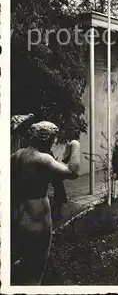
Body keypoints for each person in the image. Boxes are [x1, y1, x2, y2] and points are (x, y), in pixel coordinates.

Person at [11, 121, 79, 285]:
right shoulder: (43, 159)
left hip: (17, 217)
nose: (54, 142)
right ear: (46, 138)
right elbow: (73, 172)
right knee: (35, 271)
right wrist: (75, 145)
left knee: (15, 262)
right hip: (37, 220)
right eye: (54, 138)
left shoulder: (17, 155)